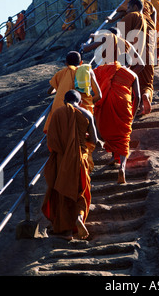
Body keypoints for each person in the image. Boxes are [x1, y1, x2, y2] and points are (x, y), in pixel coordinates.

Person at [42, 89, 101, 240]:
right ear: (80, 102)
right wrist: (82, 138)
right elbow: (94, 140)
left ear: (64, 101)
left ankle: (66, 231)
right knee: (81, 191)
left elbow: (51, 142)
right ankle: (79, 218)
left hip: (62, 160)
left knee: (63, 192)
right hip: (80, 159)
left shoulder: (57, 113)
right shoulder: (87, 114)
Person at [93, 56, 141, 184]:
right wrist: (133, 114)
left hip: (106, 99)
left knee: (108, 128)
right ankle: (122, 167)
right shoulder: (132, 74)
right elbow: (138, 96)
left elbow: (92, 73)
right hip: (123, 103)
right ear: (129, 65)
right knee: (123, 135)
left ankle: (114, 157)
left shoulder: (107, 68)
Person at [43, 51, 101, 134]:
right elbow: (99, 95)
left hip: (60, 113)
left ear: (66, 63)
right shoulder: (87, 71)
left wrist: (58, 87)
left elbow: (49, 91)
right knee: (81, 139)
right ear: (81, 62)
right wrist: (88, 103)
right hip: (80, 111)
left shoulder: (60, 74)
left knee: (63, 139)